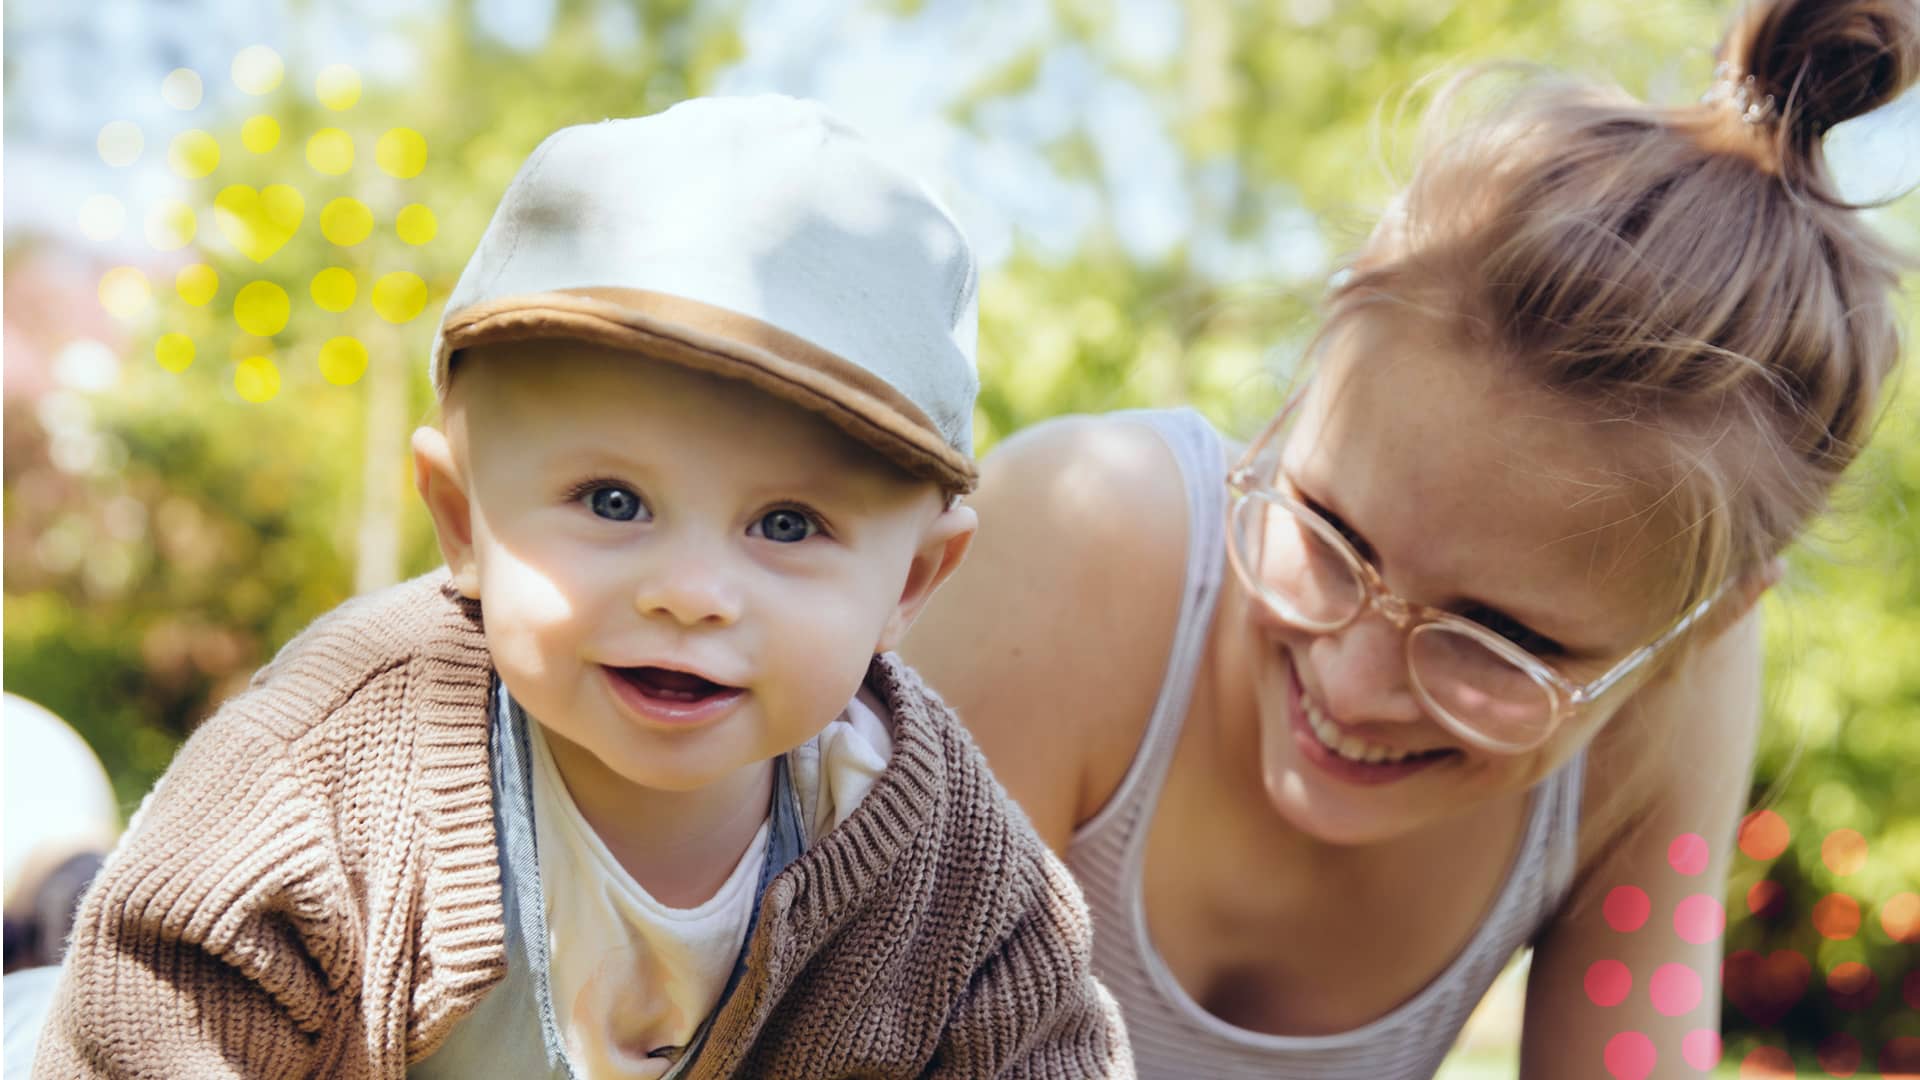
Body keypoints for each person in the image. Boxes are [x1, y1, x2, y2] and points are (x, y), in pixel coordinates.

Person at [903, 0, 1919, 1076]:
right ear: (1306, 385)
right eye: (1330, 528)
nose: (1352, 680)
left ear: (1698, 630)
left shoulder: (1666, 700)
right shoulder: (1076, 533)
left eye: (1496, 636)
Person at [33, 96, 1132, 1079]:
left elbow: (1049, 1053)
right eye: (613, 502)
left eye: (789, 525)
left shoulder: (953, 868)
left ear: (914, 581)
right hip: (57, 1032)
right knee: (52, 935)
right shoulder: (328, 765)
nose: (693, 592)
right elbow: (145, 1016)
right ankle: (39, 875)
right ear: (463, 519)